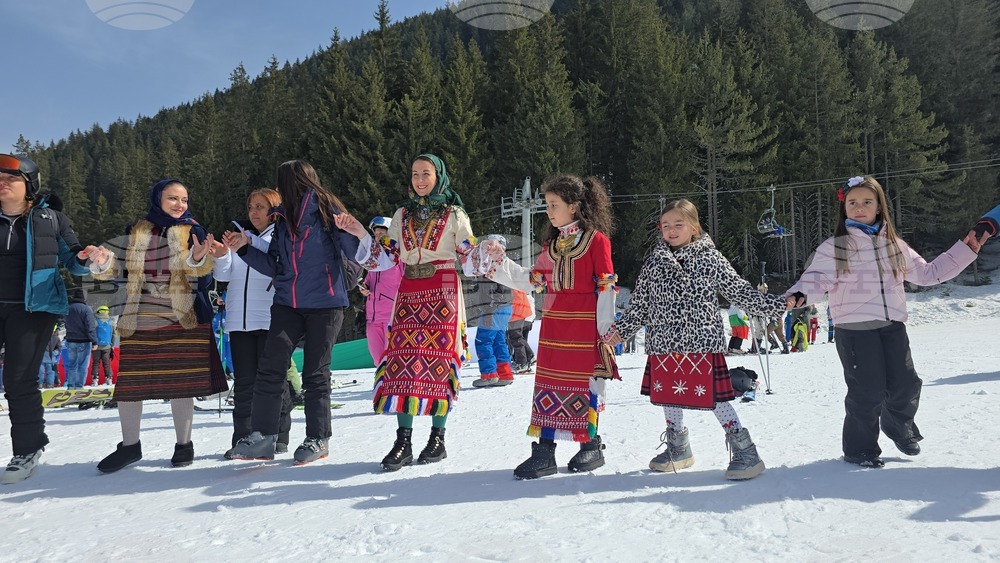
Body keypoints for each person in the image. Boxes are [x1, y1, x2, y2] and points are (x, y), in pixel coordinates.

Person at [785, 175, 985, 468]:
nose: (859, 207)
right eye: (853, 202)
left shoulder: (895, 246)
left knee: (906, 384)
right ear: (845, 208)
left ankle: (897, 424)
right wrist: (800, 294)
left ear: (879, 207)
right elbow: (815, 279)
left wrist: (966, 249)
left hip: (892, 326)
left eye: (867, 201)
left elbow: (928, 274)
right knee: (867, 391)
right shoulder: (836, 246)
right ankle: (860, 449)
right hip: (853, 330)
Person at [604, 199, 787, 480]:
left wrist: (774, 305)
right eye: (666, 225)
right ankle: (678, 448)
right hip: (664, 343)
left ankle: (745, 451)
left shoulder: (710, 258)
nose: (672, 230)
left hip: (701, 343)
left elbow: (738, 291)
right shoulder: (654, 263)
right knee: (669, 397)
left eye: (679, 224)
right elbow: (639, 306)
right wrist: (620, 330)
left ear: (693, 227)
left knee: (714, 399)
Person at [338, 154, 482, 472]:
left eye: (426, 174)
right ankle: (403, 440)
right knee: (403, 364)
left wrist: (486, 250)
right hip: (409, 291)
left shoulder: (455, 214)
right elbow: (387, 256)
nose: (419, 179)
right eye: (415, 173)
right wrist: (361, 232)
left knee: (439, 363)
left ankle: (437, 437)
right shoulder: (401, 215)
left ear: (438, 176)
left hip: (443, 289)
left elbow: (469, 253)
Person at [481, 174, 619, 480]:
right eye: (547, 204)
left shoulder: (597, 241)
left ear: (573, 206)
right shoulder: (554, 244)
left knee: (586, 383)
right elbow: (531, 280)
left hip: (585, 326)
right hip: (555, 327)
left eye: (553, 204)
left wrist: (605, 327)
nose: (549, 211)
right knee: (548, 385)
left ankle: (590, 444)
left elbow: (606, 286)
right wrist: (498, 263)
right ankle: (544, 451)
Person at [226, 161, 360, 465]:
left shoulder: (327, 210)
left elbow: (354, 251)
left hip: (325, 304)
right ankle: (262, 436)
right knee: (270, 367)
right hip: (288, 303)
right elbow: (275, 265)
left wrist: (354, 231)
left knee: (315, 372)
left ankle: (317, 438)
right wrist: (245, 249)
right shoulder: (284, 219)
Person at [92, 178, 227, 473]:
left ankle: (184, 445)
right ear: (157, 198)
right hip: (140, 316)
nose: (180, 205)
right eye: (173, 198)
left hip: (183, 317)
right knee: (130, 385)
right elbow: (122, 271)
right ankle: (130, 446)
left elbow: (203, 281)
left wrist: (197, 260)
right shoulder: (138, 230)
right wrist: (104, 262)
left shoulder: (195, 230)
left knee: (182, 385)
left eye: (184, 199)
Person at [0, 153, 110, 484]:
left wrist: (91, 260)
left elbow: (73, 259)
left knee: (19, 380)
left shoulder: (50, 219)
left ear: (29, 185)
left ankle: (27, 449)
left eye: (11, 178)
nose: (2, 183)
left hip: (33, 308)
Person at [211, 188, 295, 459]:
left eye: (261, 206)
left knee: (273, 380)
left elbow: (274, 263)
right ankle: (243, 438)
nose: (254, 212)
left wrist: (247, 243)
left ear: (274, 210)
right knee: (245, 382)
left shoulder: (281, 236)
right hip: (238, 320)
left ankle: (279, 436)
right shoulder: (240, 237)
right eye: (251, 207)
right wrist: (223, 254)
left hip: (271, 318)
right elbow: (224, 275)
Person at [470, 235, 515, 388]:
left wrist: (489, 310)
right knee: (498, 341)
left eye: (491, 247)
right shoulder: (499, 264)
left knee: (483, 340)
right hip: (504, 306)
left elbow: (497, 290)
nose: (488, 250)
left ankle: (489, 374)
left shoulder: (495, 265)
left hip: (495, 307)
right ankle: (505, 374)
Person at [359, 216, 404, 365]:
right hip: (372, 317)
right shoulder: (374, 259)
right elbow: (369, 281)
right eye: (376, 234)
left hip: (392, 316)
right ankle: (382, 386)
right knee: (378, 359)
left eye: (381, 234)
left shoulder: (399, 260)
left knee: (393, 356)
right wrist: (364, 288)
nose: (378, 237)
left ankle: (395, 386)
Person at [63, 288, 96, 389]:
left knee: (72, 365)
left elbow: (66, 324)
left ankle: (70, 386)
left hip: (70, 340)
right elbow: (90, 326)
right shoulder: (86, 309)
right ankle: (79, 386)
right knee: (82, 365)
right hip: (84, 341)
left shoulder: (68, 308)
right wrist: (94, 341)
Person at [506, 289, 535, 373]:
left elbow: (514, 298)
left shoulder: (512, 283)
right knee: (518, 337)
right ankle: (529, 357)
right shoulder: (517, 283)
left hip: (516, 311)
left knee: (516, 337)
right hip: (520, 310)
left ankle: (522, 363)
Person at [91, 305, 115, 385]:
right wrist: (112, 345)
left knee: (96, 363)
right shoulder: (111, 321)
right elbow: (114, 334)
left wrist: (92, 343)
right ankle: (109, 379)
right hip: (107, 346)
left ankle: (95, 380)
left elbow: (91, 332)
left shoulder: (95, 321)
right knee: (106, 363)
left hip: (96, 346)